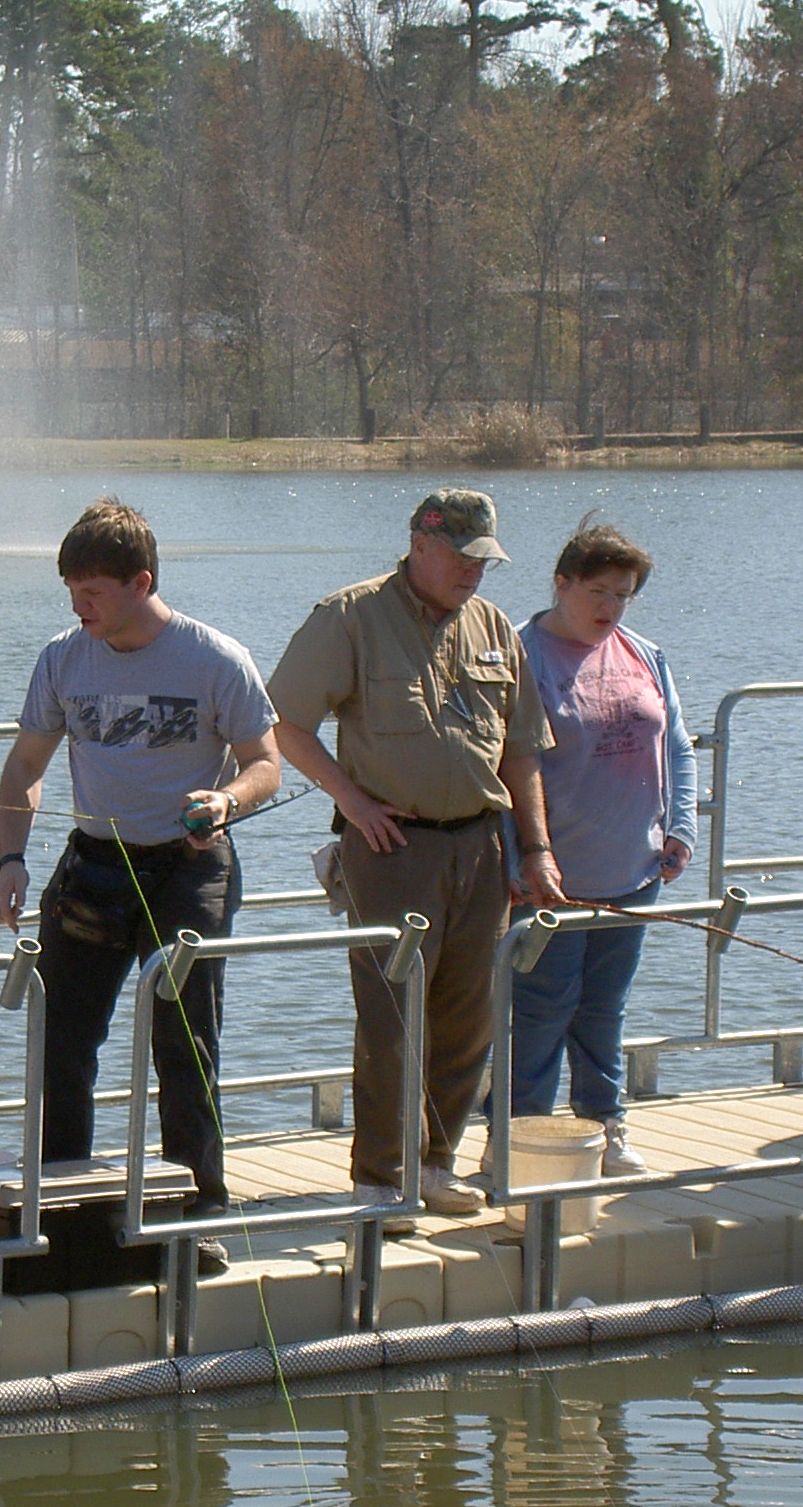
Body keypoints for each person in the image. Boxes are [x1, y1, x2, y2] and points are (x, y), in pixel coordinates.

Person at [0, 497, 281, 1264]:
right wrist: (11, 860)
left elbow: (266, 764)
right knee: (65, 1045)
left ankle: (199, 1211)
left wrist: (227, 800)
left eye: (91, 592)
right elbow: (25, 766)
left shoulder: (215, 658)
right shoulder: (62, 658)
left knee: (185, 1044)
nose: (76, 606)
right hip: (93, 868)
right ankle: (66, 1213)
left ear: (140, 581)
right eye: (70, 591)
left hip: (188, 869)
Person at [267, 487, 560, 1218]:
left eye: (484, 560)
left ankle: (437, 1166)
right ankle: (379, 1179)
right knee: (393, 1018)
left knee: (471, 1017)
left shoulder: (494, 626)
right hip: (392, 847)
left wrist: (538, 850)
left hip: (482, 848)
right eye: (461, 558)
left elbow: (522, 751)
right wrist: (353, 802)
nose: (474, 574)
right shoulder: (351, 616)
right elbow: (285, 724)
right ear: (421, 545)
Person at [503, 524, 697, 1175]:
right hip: (549, 880)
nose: (609, 606)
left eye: (623, 594)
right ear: (562, 584)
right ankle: (515, 1142)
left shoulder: (644, 653)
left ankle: (605, 1128)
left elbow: (676, 745)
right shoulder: (521, 654)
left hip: (632, 869)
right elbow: (501, 763)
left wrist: (681, 828)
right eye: (596, 590)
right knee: (540, 1012)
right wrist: (518, 859)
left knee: (603, 1011)